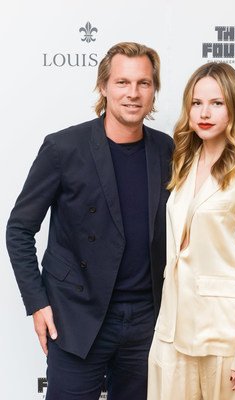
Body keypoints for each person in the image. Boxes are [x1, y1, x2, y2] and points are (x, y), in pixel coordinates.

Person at [6, 42, 173, 400]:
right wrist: (37, 303)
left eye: (143, 83)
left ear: (154, 90)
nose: (133, 93)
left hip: (146, 321)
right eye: (122, 82)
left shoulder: (168, 150)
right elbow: (19, 228)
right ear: (103, 87)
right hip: (76, 315)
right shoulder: (63, 148)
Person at [148, 62, 235, 400]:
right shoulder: (182, 166)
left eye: (217, 103)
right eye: (196, 103)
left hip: (224, 335)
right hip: (171, 331)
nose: (204, 112)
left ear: (234, 108)